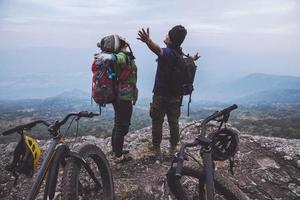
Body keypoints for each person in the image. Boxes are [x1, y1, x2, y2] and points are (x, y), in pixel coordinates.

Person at [137, 25, 199, 155]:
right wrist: (192, 58)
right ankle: (173, 147)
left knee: (157, 120)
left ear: (171, 39)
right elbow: (186, 61)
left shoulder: (168, 52)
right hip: (176, 95)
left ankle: (156, 147)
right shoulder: (179, 54)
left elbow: (157, 50)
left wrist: (148, 41)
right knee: (173, 121)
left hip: (160, 94)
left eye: (167, 35)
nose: (165, 36)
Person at [94, 35, 138, 163]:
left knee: (118, 123)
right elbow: (120, 58)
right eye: (125, 44)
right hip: (123, 97)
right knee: (123, 126)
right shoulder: (122, 56)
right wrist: (112, 56)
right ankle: (118, 155)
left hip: (118, 95)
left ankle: (116, 149)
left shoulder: (122, 56)